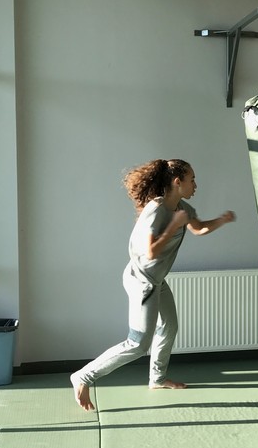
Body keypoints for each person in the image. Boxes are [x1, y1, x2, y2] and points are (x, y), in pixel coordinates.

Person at [70, 159, 235, 410]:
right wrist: (174, 225)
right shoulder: (156, 209)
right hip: (141, 282)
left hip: (155, 280)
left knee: (169, 326)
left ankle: (157, 379)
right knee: (137, 344)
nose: (195, 185)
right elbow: (151, 252)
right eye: (192, 180)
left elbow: (199, 228)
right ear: (177, 182)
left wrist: (222, 220)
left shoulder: (182, 207)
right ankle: (83, 376)